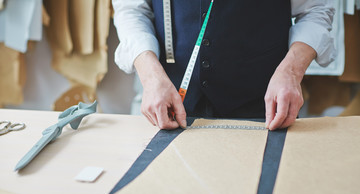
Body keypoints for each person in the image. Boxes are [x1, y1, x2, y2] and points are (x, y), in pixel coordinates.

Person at [112, 0, 336, 130]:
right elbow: (132, 9)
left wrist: (291, 72)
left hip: (265, 105)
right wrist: (151, 78)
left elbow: (315, 10)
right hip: (169, 102)